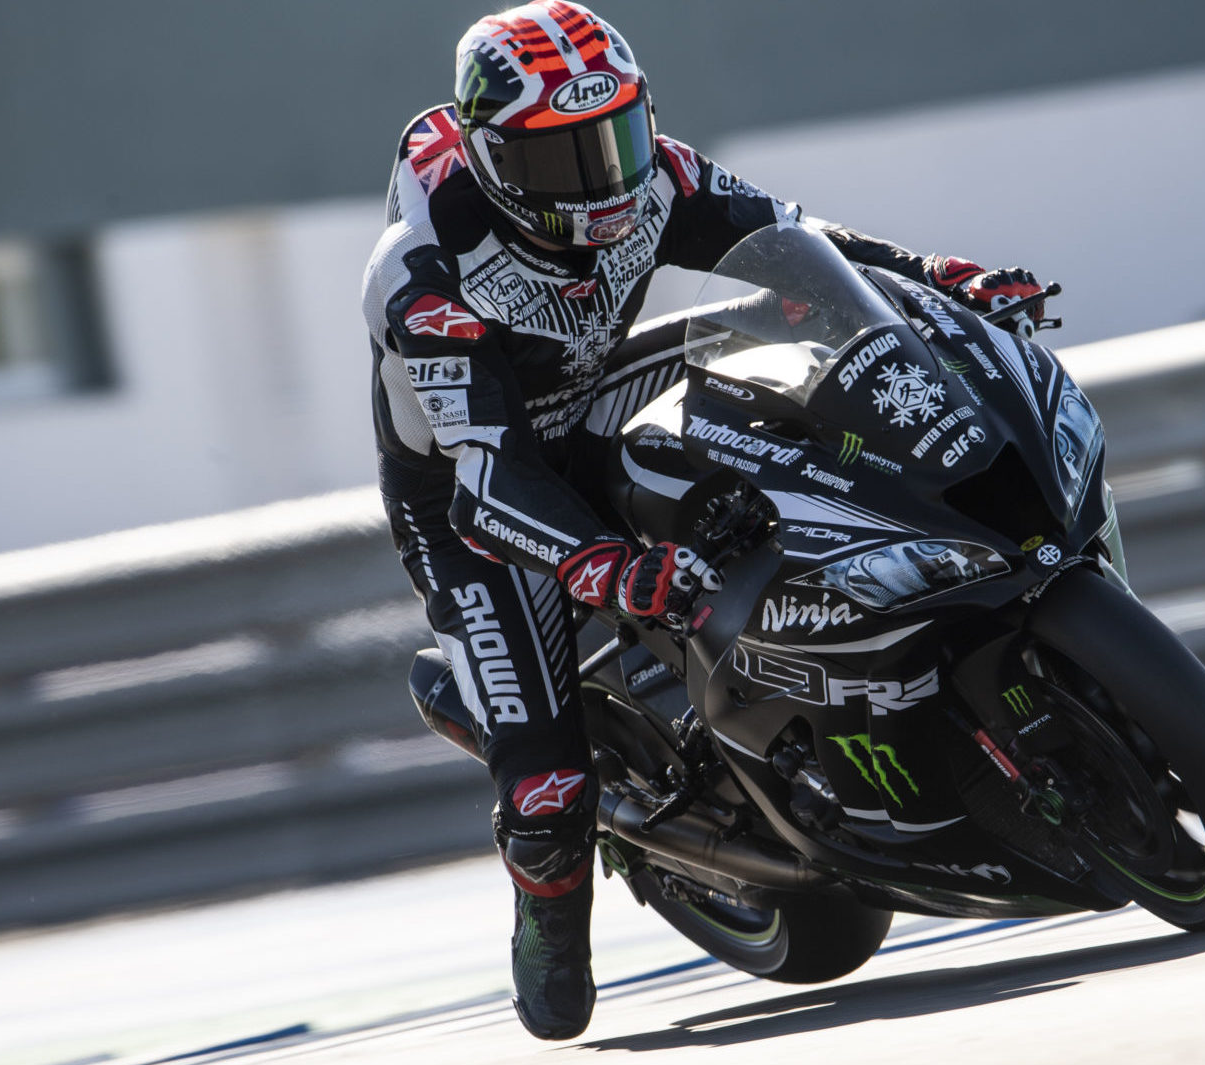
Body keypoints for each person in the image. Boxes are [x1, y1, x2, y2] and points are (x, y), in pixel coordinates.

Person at [362, 1, 1042, 1040]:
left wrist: (939, 279)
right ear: (496, 158)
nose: (602, 180)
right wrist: (601, 563)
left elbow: (799, 247)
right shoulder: (424, 275)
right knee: (548, 786)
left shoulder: (660, 179)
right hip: (476, 494)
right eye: (564, 160)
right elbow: (487, 477)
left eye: (616, 137)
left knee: (791, 379)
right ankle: (549, 912)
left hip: (599, 397)